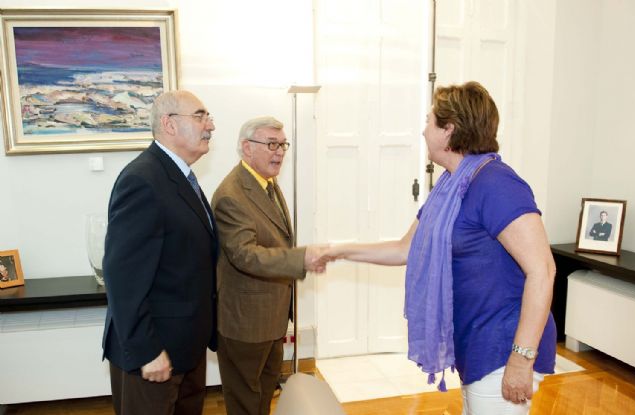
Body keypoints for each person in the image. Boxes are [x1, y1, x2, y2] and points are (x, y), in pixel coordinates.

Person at [320, 82, 557, 414]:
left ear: (449, 130)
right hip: (475, 343)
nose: (423, 130)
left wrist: (521, 358)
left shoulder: (497, 183)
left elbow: (543, 270)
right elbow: (405, 249)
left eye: (429, 121)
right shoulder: (451, 185)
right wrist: (337, 250)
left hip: (502, 347)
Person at [102, 90, 219, 415]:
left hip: (186, 347)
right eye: (200, 116)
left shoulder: (180, 176)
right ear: (169, 124)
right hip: (154, 354)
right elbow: (122, 277)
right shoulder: (143, 180)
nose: (211, 125)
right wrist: (147, 350)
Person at [211, 116, 327, 415]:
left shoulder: (266, 183)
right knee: (246, 403)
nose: (280, 152)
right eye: (272, 144)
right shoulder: (232, 195)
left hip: (271, 317)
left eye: (283, 145)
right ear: (247, 148)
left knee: (263, 398)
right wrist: (301, 258)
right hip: (246, 322)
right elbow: (245, 255)